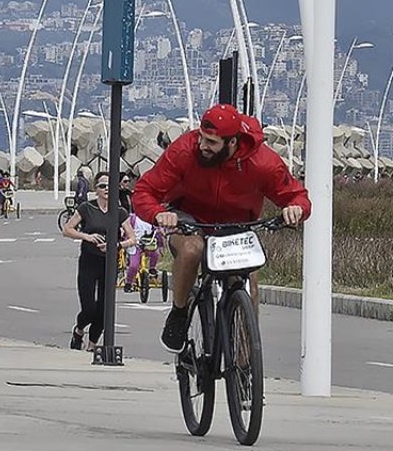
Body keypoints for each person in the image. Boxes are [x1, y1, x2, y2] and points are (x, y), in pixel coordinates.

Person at [132, 104, 311, 353]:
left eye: (212, 142)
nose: (202, 146)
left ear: (232, 142)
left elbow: (297, 196)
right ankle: (179, 312)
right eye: (202, 138)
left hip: (236, 224)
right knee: (192, 250)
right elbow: (144, 191)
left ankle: (245, 360)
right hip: (188, 217)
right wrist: (159, 213)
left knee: (249, 285)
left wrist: (295, 209)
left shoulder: (263, 162)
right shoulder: (184, 150)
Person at [60, 173, 136, 352]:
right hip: (89, 261)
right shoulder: (87, 208)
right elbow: (67, 229)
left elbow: (132, 238)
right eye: (102, 186)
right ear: (96, 190)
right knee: (89, 309)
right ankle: (79, 331)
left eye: (110, 186)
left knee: (104, 309)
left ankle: (92, 346)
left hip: (109, 263)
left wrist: (116, 245)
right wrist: (87, 236)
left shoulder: (119, 212)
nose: (107, 189)